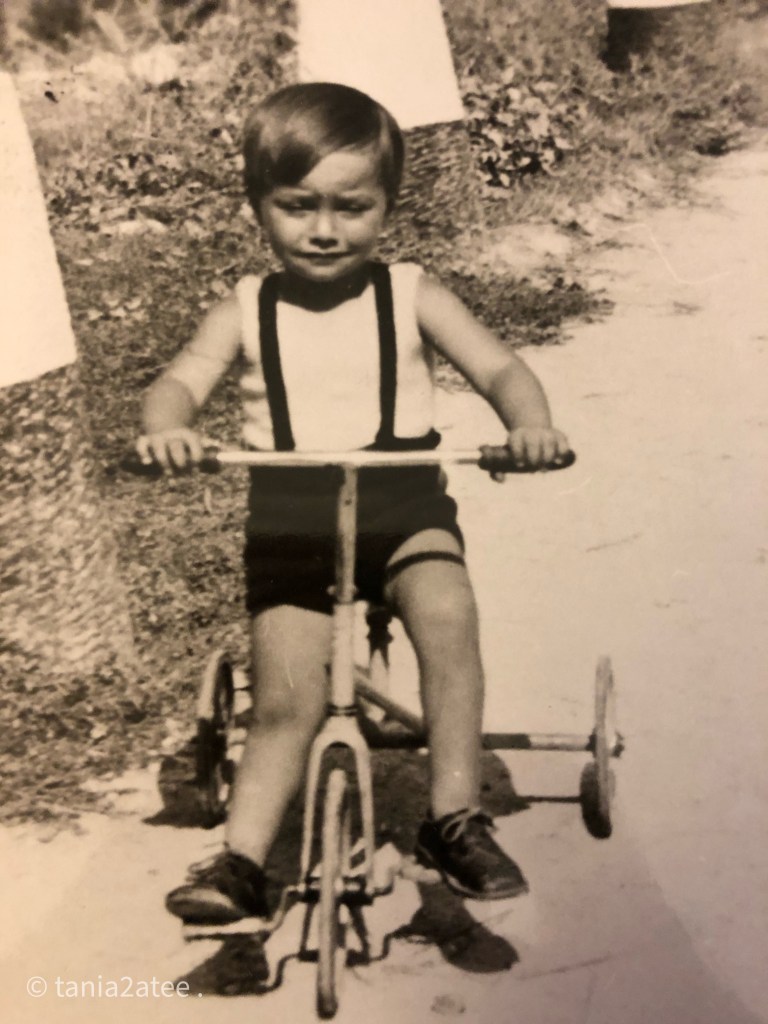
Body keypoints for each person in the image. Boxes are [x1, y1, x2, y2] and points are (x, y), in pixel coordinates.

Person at [137, 82, 571, 923]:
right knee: (287, 697)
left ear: (388, 206)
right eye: (297, 207)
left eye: (351, 207)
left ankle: (454, 817)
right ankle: (241, 860)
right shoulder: (245, 307)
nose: (325, 229)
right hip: (292, 526)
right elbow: (180, 381)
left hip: (405, 512)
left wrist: (531, 427)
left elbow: (500, 369)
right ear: (257, 205)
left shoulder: (411, 294)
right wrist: (168, 429)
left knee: (447, 620)